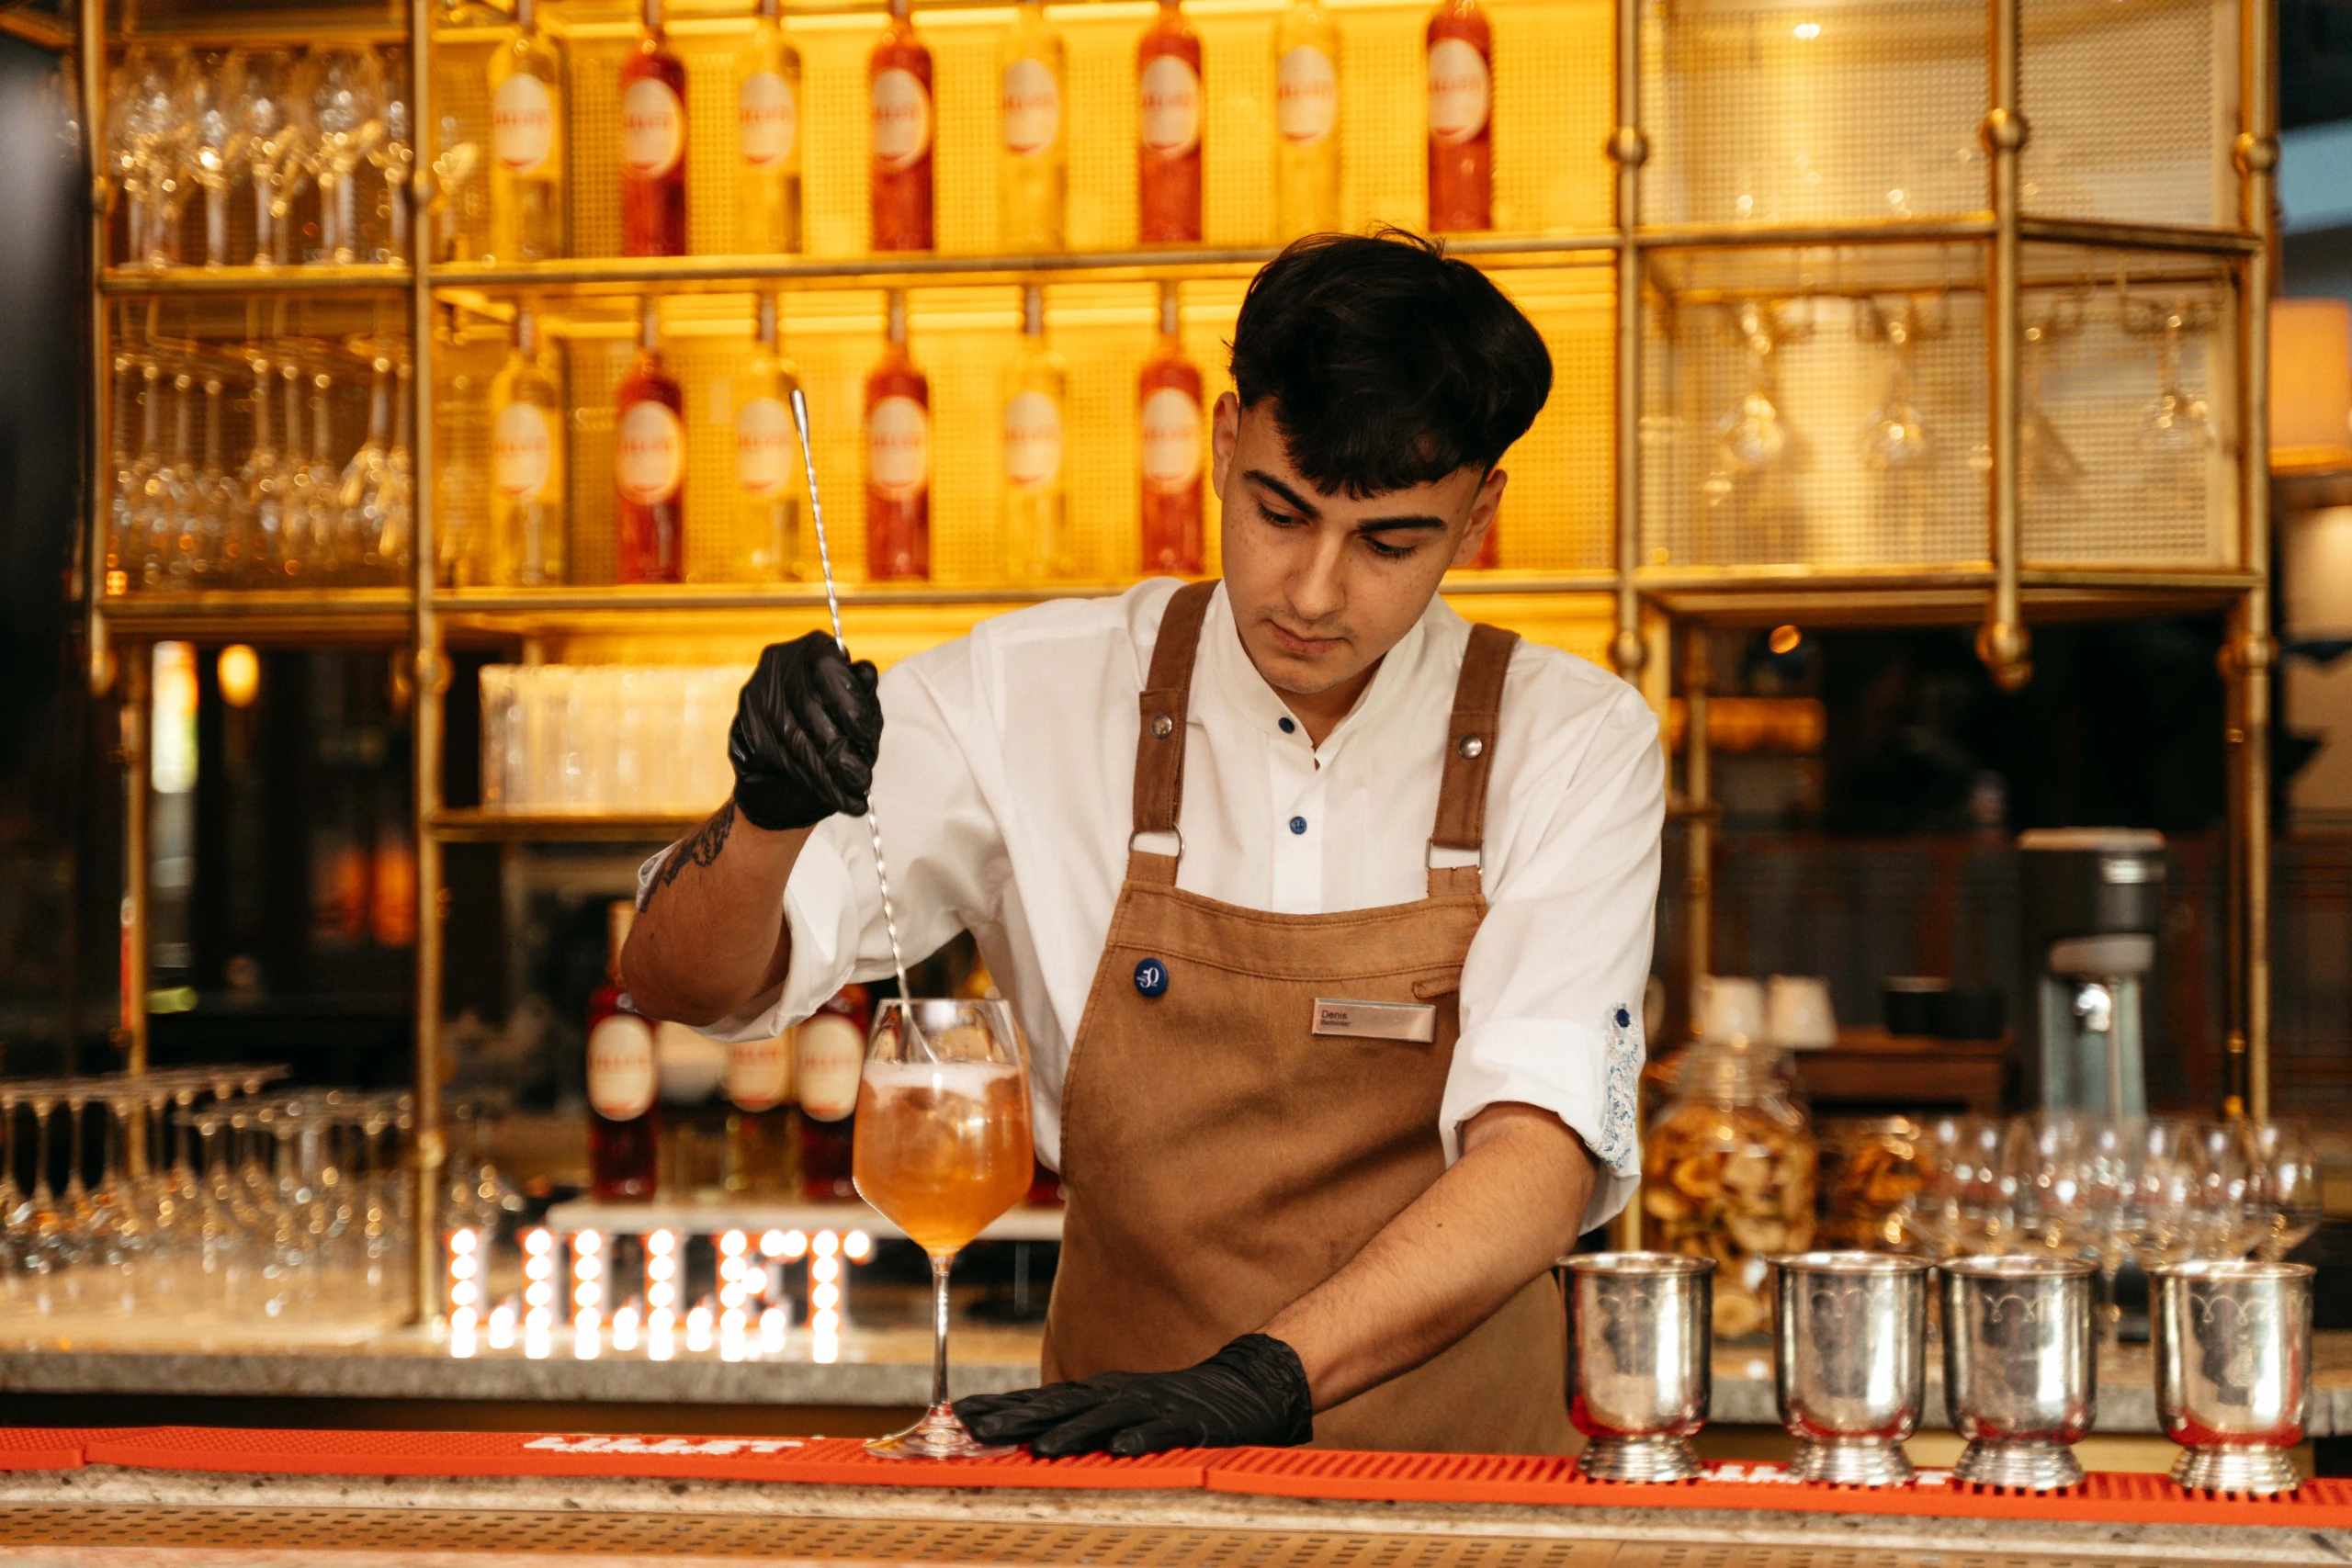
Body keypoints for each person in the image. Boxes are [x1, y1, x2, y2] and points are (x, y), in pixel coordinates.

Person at [623, 230, 1663, 1458]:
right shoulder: (1026, 695)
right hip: (1116, 1483)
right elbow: (678, 983)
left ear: (1479, 515)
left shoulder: (1575, 740)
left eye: (1388, 543)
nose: (1314, 590)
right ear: (1222, 444)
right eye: (1279, 511)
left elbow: (1539, 1160)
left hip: (1460, 1496)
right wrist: (763, 816)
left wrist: (1265, 1377)